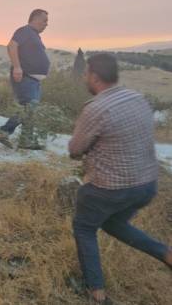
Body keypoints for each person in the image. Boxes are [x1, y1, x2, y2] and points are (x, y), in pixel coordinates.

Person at [68, 53, 172, 304]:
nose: (84, 78)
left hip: (109, 188)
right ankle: (166, 254)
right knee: (113, 223)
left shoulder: (96, 108)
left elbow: (74, 149)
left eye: (85, 74)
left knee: (84, 227)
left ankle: (97, 294)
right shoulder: (137, 98)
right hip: (146, 185)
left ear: (94, 77)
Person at [0, 9, 50, 150]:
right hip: (25, 77)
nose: (46, 24)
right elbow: (12, 46)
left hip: (33, 80)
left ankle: (26, 140)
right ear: (35, 19)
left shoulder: (34, 35)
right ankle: (3, 132)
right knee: (28, 108)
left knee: (31, 110)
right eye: (45, 21)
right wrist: (17, 67)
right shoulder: (25, 30)